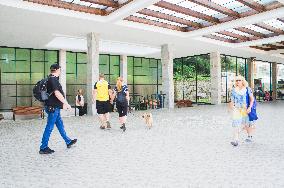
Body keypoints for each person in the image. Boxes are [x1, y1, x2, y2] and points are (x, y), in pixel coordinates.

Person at [39, 64, 77, 154]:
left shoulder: (49, 78)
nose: (60, 71)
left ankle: (68, 141)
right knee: (49, 127)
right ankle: (43, 147)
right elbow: (57, 93)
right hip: (53, 108)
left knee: (60, 125)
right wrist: (66, 103)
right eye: (60, 69)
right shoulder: (53, 79)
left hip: (54, 107)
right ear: (56, 70)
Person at [229, 75, 254, 147]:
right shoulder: (233, 90)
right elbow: (232, 100)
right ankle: (236, 140)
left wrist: (249, 107)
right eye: (236, 80)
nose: (238, 82)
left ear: (243, 81)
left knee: (245, 124)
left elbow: (252, 99)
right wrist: (232, 107)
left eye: (239, 80)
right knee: (236, 124)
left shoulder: (247, 89)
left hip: (245, 109)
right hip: (237, 109)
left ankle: (249, 135)